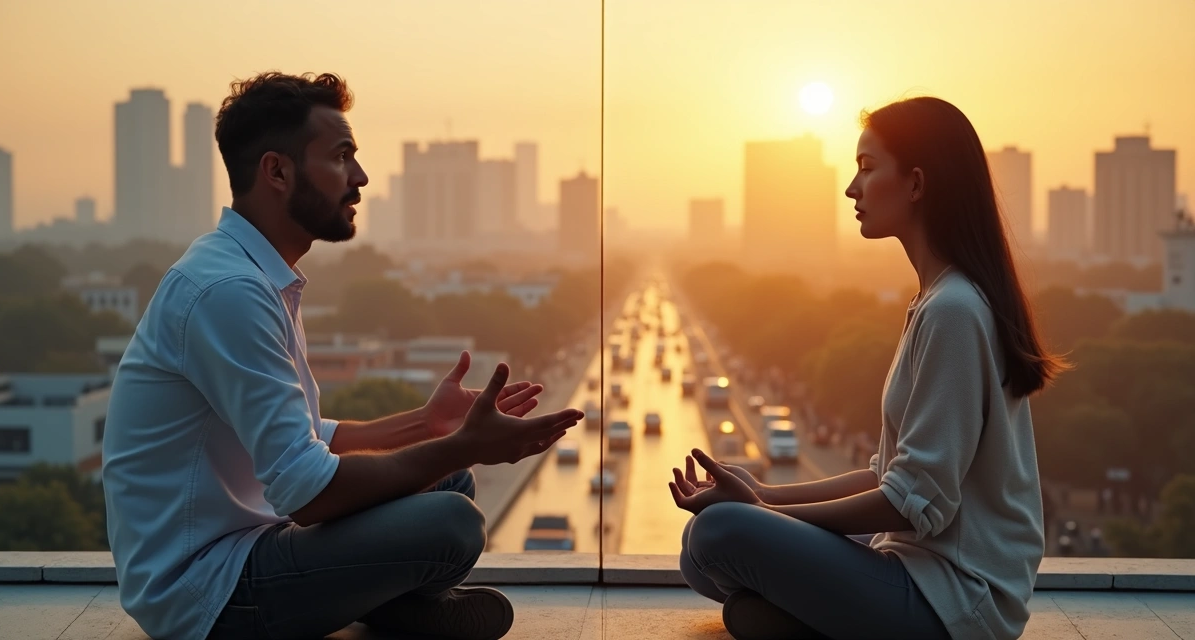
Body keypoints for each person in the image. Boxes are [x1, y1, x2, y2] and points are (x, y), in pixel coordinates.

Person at [102, 71, 583, 640]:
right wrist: (468, 443)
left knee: (450, 481)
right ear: (277, 171)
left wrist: (428, 425)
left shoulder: (256, 274)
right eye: (341, 156)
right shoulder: (227, 291)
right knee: (453, 522)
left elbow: (308, 439)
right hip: (205, 590)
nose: (360, 177)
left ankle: (387, 603)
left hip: (254, 543)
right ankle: (393, 603)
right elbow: (306, 492)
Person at [670, 96, 1066, 640]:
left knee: (720, 533)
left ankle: (799, 618)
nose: (852, 189)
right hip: (913, 569)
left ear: (916, 183)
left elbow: (910, 505)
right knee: (699, 550)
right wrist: (764, 494)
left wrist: (762, 512)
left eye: (867, 167)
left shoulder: (953, 310)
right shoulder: (935, 300)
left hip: (956, 602)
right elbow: (888, 477)